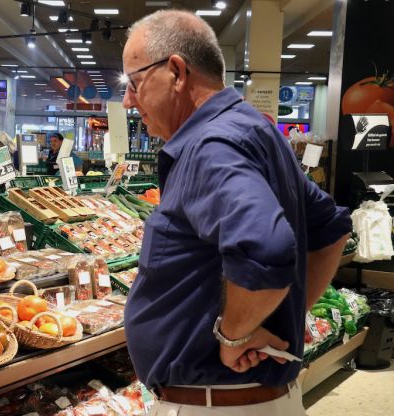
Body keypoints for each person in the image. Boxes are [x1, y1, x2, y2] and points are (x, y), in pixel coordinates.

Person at [121, 10, 351, 416]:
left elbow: (266, 249)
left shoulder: (210, 145)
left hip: (216, 406)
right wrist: (283, 315)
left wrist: (234, 335)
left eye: (134, 83)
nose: (128, 100)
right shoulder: (252, 129)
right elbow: (331, 228)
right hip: (253, 400)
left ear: (176, 71)